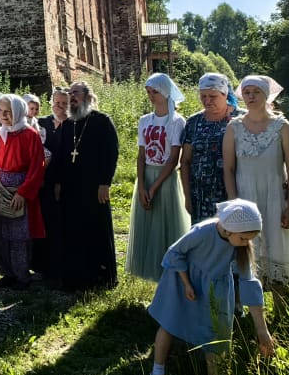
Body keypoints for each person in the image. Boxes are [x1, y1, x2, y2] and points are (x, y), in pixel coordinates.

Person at [147, 199, 274, 375]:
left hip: (216, 287)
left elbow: (249, 282)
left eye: (249, 239)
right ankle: (158, 370)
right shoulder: (202, 232)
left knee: (216, 334)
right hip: (184, 280)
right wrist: (187, 283)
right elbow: (175, 253)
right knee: (170, 324)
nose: (246, 243)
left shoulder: (239, 244)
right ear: (229, 230)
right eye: (243, 238)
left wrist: (262, 329)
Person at [223, 75, 289, 302]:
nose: (250, 96)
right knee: (248, 253)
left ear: (266, 95)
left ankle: (282, 310)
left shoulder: (282, 127)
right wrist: (234, 204)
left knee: (277, 251)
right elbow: (228, 169)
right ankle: (249, 310)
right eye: (246, 92)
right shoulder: (234, 128)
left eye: (256, 92)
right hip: (245, 199)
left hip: (275, 199)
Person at [51, 81, 119, 291]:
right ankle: (76, 277)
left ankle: (101, 277)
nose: (72, 97)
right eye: (70, 93)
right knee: (73, 232)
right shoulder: (67, 125)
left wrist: (105, 183)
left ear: (88, 97)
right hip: (71, 188)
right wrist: (58, 182)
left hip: (94, 187)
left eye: (76, 93)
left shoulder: (102, 121)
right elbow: (60, 156)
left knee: (96, 230)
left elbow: (111, 153)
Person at [126, 74, 190, 282]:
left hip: (165, 178)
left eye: (155, 91)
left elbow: (173, 158)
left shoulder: (177, 121)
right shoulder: (145, 121)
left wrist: (154, 187)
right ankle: (151, 271)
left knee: (166, 225)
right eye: (148, 92)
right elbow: (141, 155)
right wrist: (142, 186)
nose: (151, 96)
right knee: (148, 223)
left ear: (166, 93)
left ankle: (171, 275)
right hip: (146, 176)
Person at [0, 95, 46, 289]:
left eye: (8, 111)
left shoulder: (30, 135)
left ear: (18, 111)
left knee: (19, 236)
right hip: (0, 189)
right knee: (1, 234)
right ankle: (7, 273)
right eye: (1, 111)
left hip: (19, 189)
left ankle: (22, 276)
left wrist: (23, 192)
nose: (4, 115)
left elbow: (36, 166)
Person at [180, 73, 242, 222]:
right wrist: (187, 197)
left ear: (225, 94)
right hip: (200, 196)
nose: (207, 101)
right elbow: (185, 161)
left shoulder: (241, 119)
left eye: (212, 96)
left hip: (235, 193)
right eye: (203, 96)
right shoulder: (194, 122)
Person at [33, 86, 69, 278]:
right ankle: (41, 265)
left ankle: (59, 265)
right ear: (51, 103)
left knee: (60, 223)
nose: (60, 107)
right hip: (42, 179)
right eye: (57, 103)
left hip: (64, 181)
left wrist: (60, 182)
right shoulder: (41, 123)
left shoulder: (72, 125)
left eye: (64, 103)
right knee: (43, 221)